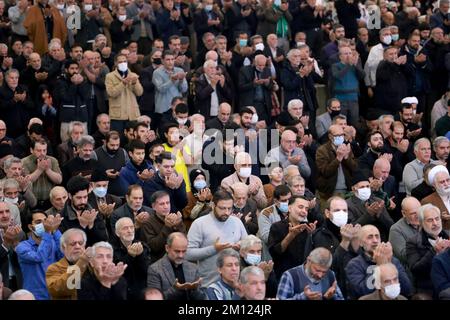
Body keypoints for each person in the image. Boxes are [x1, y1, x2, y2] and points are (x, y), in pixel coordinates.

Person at [185, 189, 247, 288]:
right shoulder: (199, 224)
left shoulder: (237, 222)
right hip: (209, 284)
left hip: (234, 284)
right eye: (222, 208)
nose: (226, 212)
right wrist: (214, 249)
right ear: (213, 206)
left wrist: (241, 247)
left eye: (229, 208)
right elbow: (187, 254)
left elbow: (247, 246)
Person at [345, 225, 412, 299]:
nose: (375, 240)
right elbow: (363, 292)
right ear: (360, 243)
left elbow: (407, 289)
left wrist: (388, 264)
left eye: (377, 236)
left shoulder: (393, 260)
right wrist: (379, 266)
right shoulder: (354, 264)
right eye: (370, 237)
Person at [15, 211, 64, 299]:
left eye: (45, 221)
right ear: (30, 227)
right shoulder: (22, 247)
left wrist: (55, 230)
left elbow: (65, 256)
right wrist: (47, 232)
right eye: (38, 222)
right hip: (35, 296)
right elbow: (39, 257)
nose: (44, 225)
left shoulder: (52, 242)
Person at [406, 204, 450, 299]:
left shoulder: (448, 236)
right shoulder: (413, 242)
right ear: (421, 223)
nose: (435, 223)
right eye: (430, 220)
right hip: (427, 290)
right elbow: (415, 270)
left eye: (437, 219)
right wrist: (434, 250)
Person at [268, 196, 317, 279]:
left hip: (305, 275)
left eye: (306, 209)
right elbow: (274, 253)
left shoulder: (308, 228)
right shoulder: (277, 227)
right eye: (300, 207)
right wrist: (291, 236)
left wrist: (312, 236)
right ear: (289, 208)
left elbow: (314, 254)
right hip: (284, 275)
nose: (304, 211)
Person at [147, 232, 205, 300]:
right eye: (177, 251)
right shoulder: (155, 269)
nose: (181, 255)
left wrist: (194, 290)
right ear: (167, 248)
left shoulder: (193, 268)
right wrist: (176, 289)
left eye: (184, 251)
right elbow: (154, 298)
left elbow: (202, 297)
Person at [277, 247, 344, 300]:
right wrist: (303, 297)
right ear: (309, 260)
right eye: (317, 270)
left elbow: (340, 298)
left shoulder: (330, 275)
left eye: (324, 272)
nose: (320, 275)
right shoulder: (290, 276)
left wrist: (332, 297)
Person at [60, 176, 108, 246]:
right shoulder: (63, 216)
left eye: (85, 197)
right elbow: (66, 244)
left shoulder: (93, 212)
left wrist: (91, 225)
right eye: (79, 198)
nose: (83, 201)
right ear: (70, 196)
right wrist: (82, 226)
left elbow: (104, 239)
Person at [140, 191, 186, 262]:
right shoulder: (147, 223)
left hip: (178, 258)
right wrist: (167, 227)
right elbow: (154, 247)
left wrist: (179, 225)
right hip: (158, 261)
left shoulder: (175, 217)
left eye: (168, 203)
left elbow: (184, 240)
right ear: (153, 207)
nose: (166, 206)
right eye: (162, 204)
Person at [112, 217, 151, 300]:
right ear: (117, 233)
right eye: (125, 228)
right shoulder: (112, 249)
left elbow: (147, 271)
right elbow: (118, 273)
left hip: (141, 291)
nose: (129, 231)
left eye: (131, 227)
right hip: (122, 292)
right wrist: (130, 256)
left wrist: (140, 256)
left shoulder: (142, 246)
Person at [46, 228, 91, 300]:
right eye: (73, 244)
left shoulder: (92, 265)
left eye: (80, 243)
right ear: (64, 247)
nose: (77, 246)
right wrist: (82, 262)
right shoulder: (54, 268)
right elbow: (64, 288)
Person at [105, 54, 143, 132]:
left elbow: (139, 93)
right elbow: (112, 93)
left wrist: (135, 83)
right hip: (117, 115)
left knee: (133, 137)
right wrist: (123, 83)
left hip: (132, 114)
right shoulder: (110, 76)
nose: (123, 63)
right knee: (119, 137)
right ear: (115, 63)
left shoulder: (133, 74)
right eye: (120, 62)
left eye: (125, 61)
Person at [21, 138, 62, 209]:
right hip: (32, 201)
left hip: (50, 200)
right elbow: (26, 182)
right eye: (39, 150)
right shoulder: (24, 162)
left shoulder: (53, 160)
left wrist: (48, 170)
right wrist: (39, 169)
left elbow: (59, 180)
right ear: (31, 150)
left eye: (44, 150)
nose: (42, 153)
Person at [389, 197, 421, 266]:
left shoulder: (426, 221)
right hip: (410, 270)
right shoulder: (396, 229)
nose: (417, 216)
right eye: (413, 213)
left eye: (419, 211)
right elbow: (404, 256)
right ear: (403, 213)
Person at [420, 165, 450, 232]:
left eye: (448, 180)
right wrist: (440, 218)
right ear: (434, 184)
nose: (446, 184)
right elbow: (426, 225)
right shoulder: (427, 201)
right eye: (442, 182)